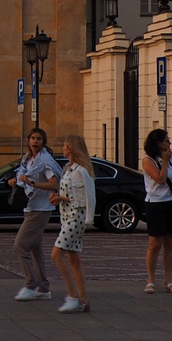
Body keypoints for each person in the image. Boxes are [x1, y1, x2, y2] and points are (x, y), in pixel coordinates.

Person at [7, 128, 60, 300]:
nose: (35, 141)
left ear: (43, 142)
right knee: (36, 250)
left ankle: (31, 284)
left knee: (20, 245)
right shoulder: (27, 159)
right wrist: (15, 181)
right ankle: (44, 288)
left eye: (39, 138)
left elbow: (53, 184)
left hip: (41, 208)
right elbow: (23, 177)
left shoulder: (45, 161)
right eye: (32, 138)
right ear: (28, 141)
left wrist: (32, 183)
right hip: (30, 206)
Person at [50, 134, 96, 313]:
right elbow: (71, 196)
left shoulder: (82, 171)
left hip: (77, 216)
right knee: (74, 259)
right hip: (67, 215)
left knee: (56, 254)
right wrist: (59, 198)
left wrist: (89, 219)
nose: (63, 148)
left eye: (65, 145)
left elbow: (89, 196)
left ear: (71, 148)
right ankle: (84, 300)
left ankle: (73, 296)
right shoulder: (68, 169)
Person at [141, 127, 172, 293]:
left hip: (170, 203)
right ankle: (150, 280)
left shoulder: (170, 158)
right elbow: (160, 179)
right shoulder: (148, 160)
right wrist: (164, 161)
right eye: (166, 140)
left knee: (170, 243)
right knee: (155, 244)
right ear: (158, 143)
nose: (169, 143)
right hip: (155, 203)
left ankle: (168, 280)